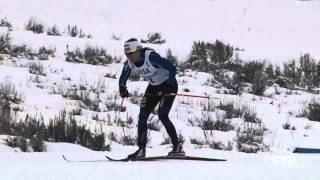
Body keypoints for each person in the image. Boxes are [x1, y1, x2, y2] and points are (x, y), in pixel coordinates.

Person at [119, 38, 185, 159]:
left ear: (138, 50)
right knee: (142, 116)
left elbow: (172, 68)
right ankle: (141, 150)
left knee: (162, 115)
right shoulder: (129, 63)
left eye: (131, 53)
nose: (129, 56)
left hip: (169, 85)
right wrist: (122, 87)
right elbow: (123, 76)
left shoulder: (150, 57)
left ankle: (177, 146)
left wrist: (168, 86)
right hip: (153, 87)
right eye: (127, 54)